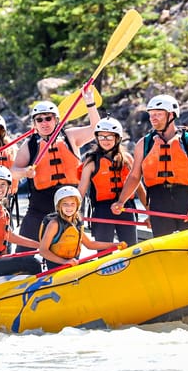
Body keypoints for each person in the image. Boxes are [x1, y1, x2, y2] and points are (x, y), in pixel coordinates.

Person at [12, 87, 100, 251]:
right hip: (39, 205)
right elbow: (12, 172)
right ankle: (23, 270)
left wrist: (90, 103)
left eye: (48, 118)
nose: (44, 123)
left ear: (56, 120)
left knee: (67, 251)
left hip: (68, 205)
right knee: (23, 251)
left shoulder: (70, 137)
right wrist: (25, 172)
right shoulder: (29, 145)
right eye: (39, 120)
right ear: (34, 124)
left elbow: (97, 129)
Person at [112, 94, 188, 237]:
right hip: (158, 202)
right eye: (151, 114)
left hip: (186, 201)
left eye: (158, 114)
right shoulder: (143, 144)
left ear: (171, 115)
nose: (153, 118)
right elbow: (134, 177)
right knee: (165, 251)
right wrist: (121, 201)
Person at [77, 117, 146, 246]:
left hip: (126, 209)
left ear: (117, 138)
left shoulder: (127, 159)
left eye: (109, 137)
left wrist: (149, 211)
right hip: (102, 211)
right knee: (104, 252)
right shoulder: (91, 161)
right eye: (101, 136)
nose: (105, 140)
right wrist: (74, 213)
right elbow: (81, 191)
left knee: (130, 248)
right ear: (97, 138)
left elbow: (139, 188)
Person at [37, 186, 125, 272]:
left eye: (72, 204)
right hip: (57, 268)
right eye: (65, 204)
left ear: (78, 205)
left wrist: (115, 245)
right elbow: (43, 251)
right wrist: (65, 262)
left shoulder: (77, 223)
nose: (69, 207)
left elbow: (90, 244)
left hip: (72, 265)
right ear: (59, 205)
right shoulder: (54, 224)